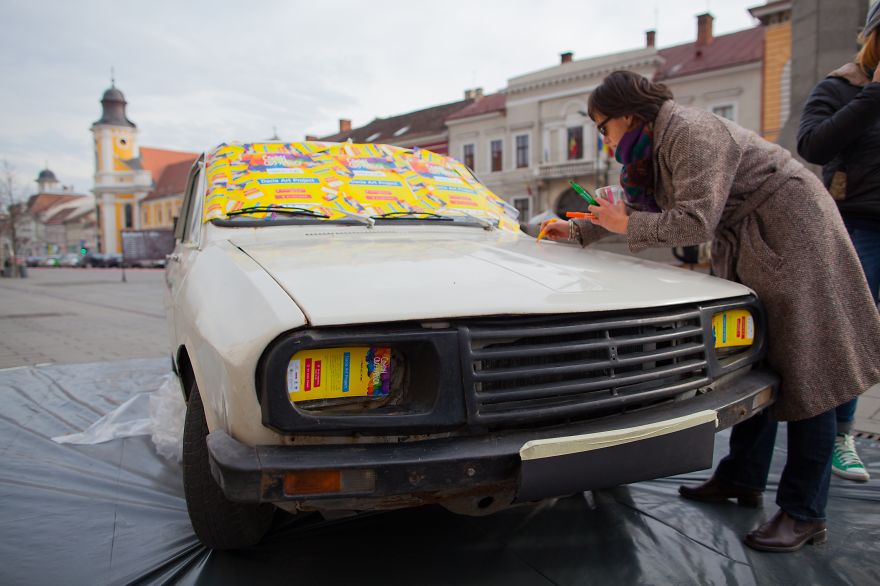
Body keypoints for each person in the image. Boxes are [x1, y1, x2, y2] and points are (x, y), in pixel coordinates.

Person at [540, 70, 880, 553]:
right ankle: (741, 478)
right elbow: (634, 210)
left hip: (794, 233)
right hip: (754, 241)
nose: (603, 138)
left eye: (603, 126)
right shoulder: (645, 153)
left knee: (813, 373)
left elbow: (695, 222)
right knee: (758, 364)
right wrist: (575, 232)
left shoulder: (692, 133)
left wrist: (628, 221)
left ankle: (805, 513)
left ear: (629, 115)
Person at [795, 1, 880, 483]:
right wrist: (873, 97)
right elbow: (812, 145)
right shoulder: (842, 86)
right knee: (852, 334)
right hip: (858, 224)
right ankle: (842, 435)